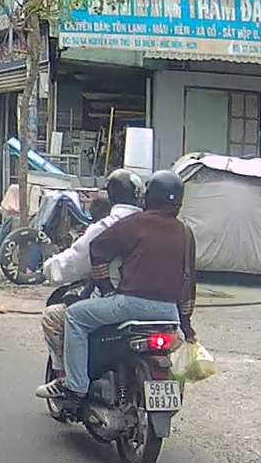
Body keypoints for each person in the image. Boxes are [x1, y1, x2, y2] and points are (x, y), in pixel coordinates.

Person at [37, 170, 197, 402]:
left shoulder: (134, 224)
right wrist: (187, 325)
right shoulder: (185, 232)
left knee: (74, 316)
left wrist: (106, 289)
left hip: (130, 305)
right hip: (168, 312)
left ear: (148, 196)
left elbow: (97, 249)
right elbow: (188, 280)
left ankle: (75, 386)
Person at [39, 169, 143, 378]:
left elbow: (75, 262)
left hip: (117, 303)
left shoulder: (107, 227)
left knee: (57, 317)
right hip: (160, 307)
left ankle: (68, 381)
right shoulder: (157, 227)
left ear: (110, 196)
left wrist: (49, 268)